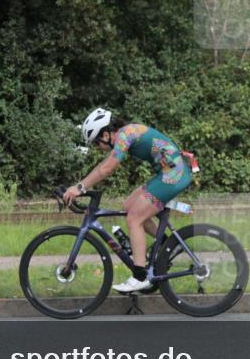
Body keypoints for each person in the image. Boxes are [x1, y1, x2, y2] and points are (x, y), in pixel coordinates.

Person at [62, 108, 193, 292]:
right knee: (128, 206)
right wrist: (81, 185)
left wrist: (79, 187)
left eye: (97, 142)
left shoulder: (125, 135)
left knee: (134, 218)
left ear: (106, 134)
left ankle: (140, 277)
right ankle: (167, 245)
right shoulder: (126, 133)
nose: (97, 147)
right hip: (168, 172)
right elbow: (103, 166)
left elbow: (106, 169)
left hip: (174, 174)